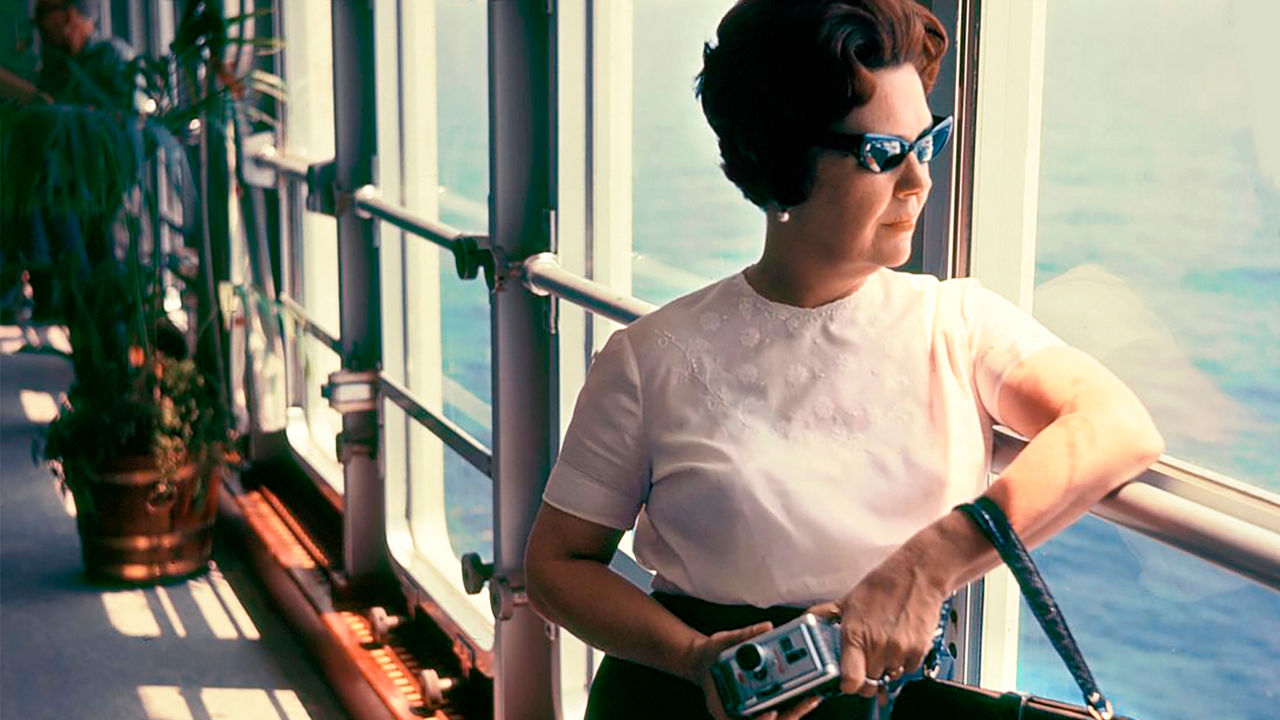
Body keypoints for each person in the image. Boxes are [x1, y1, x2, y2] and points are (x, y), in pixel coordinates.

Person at [524, 1, 1165, 718]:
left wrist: (929, 565)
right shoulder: (650, 359)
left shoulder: (957, 323)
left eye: (929, 142)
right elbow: (556, 565)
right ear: (783, 160)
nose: (918, 181)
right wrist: (693, 657)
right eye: (882, 155)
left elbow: (1116, 425)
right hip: (687, 698)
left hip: (894, 701)